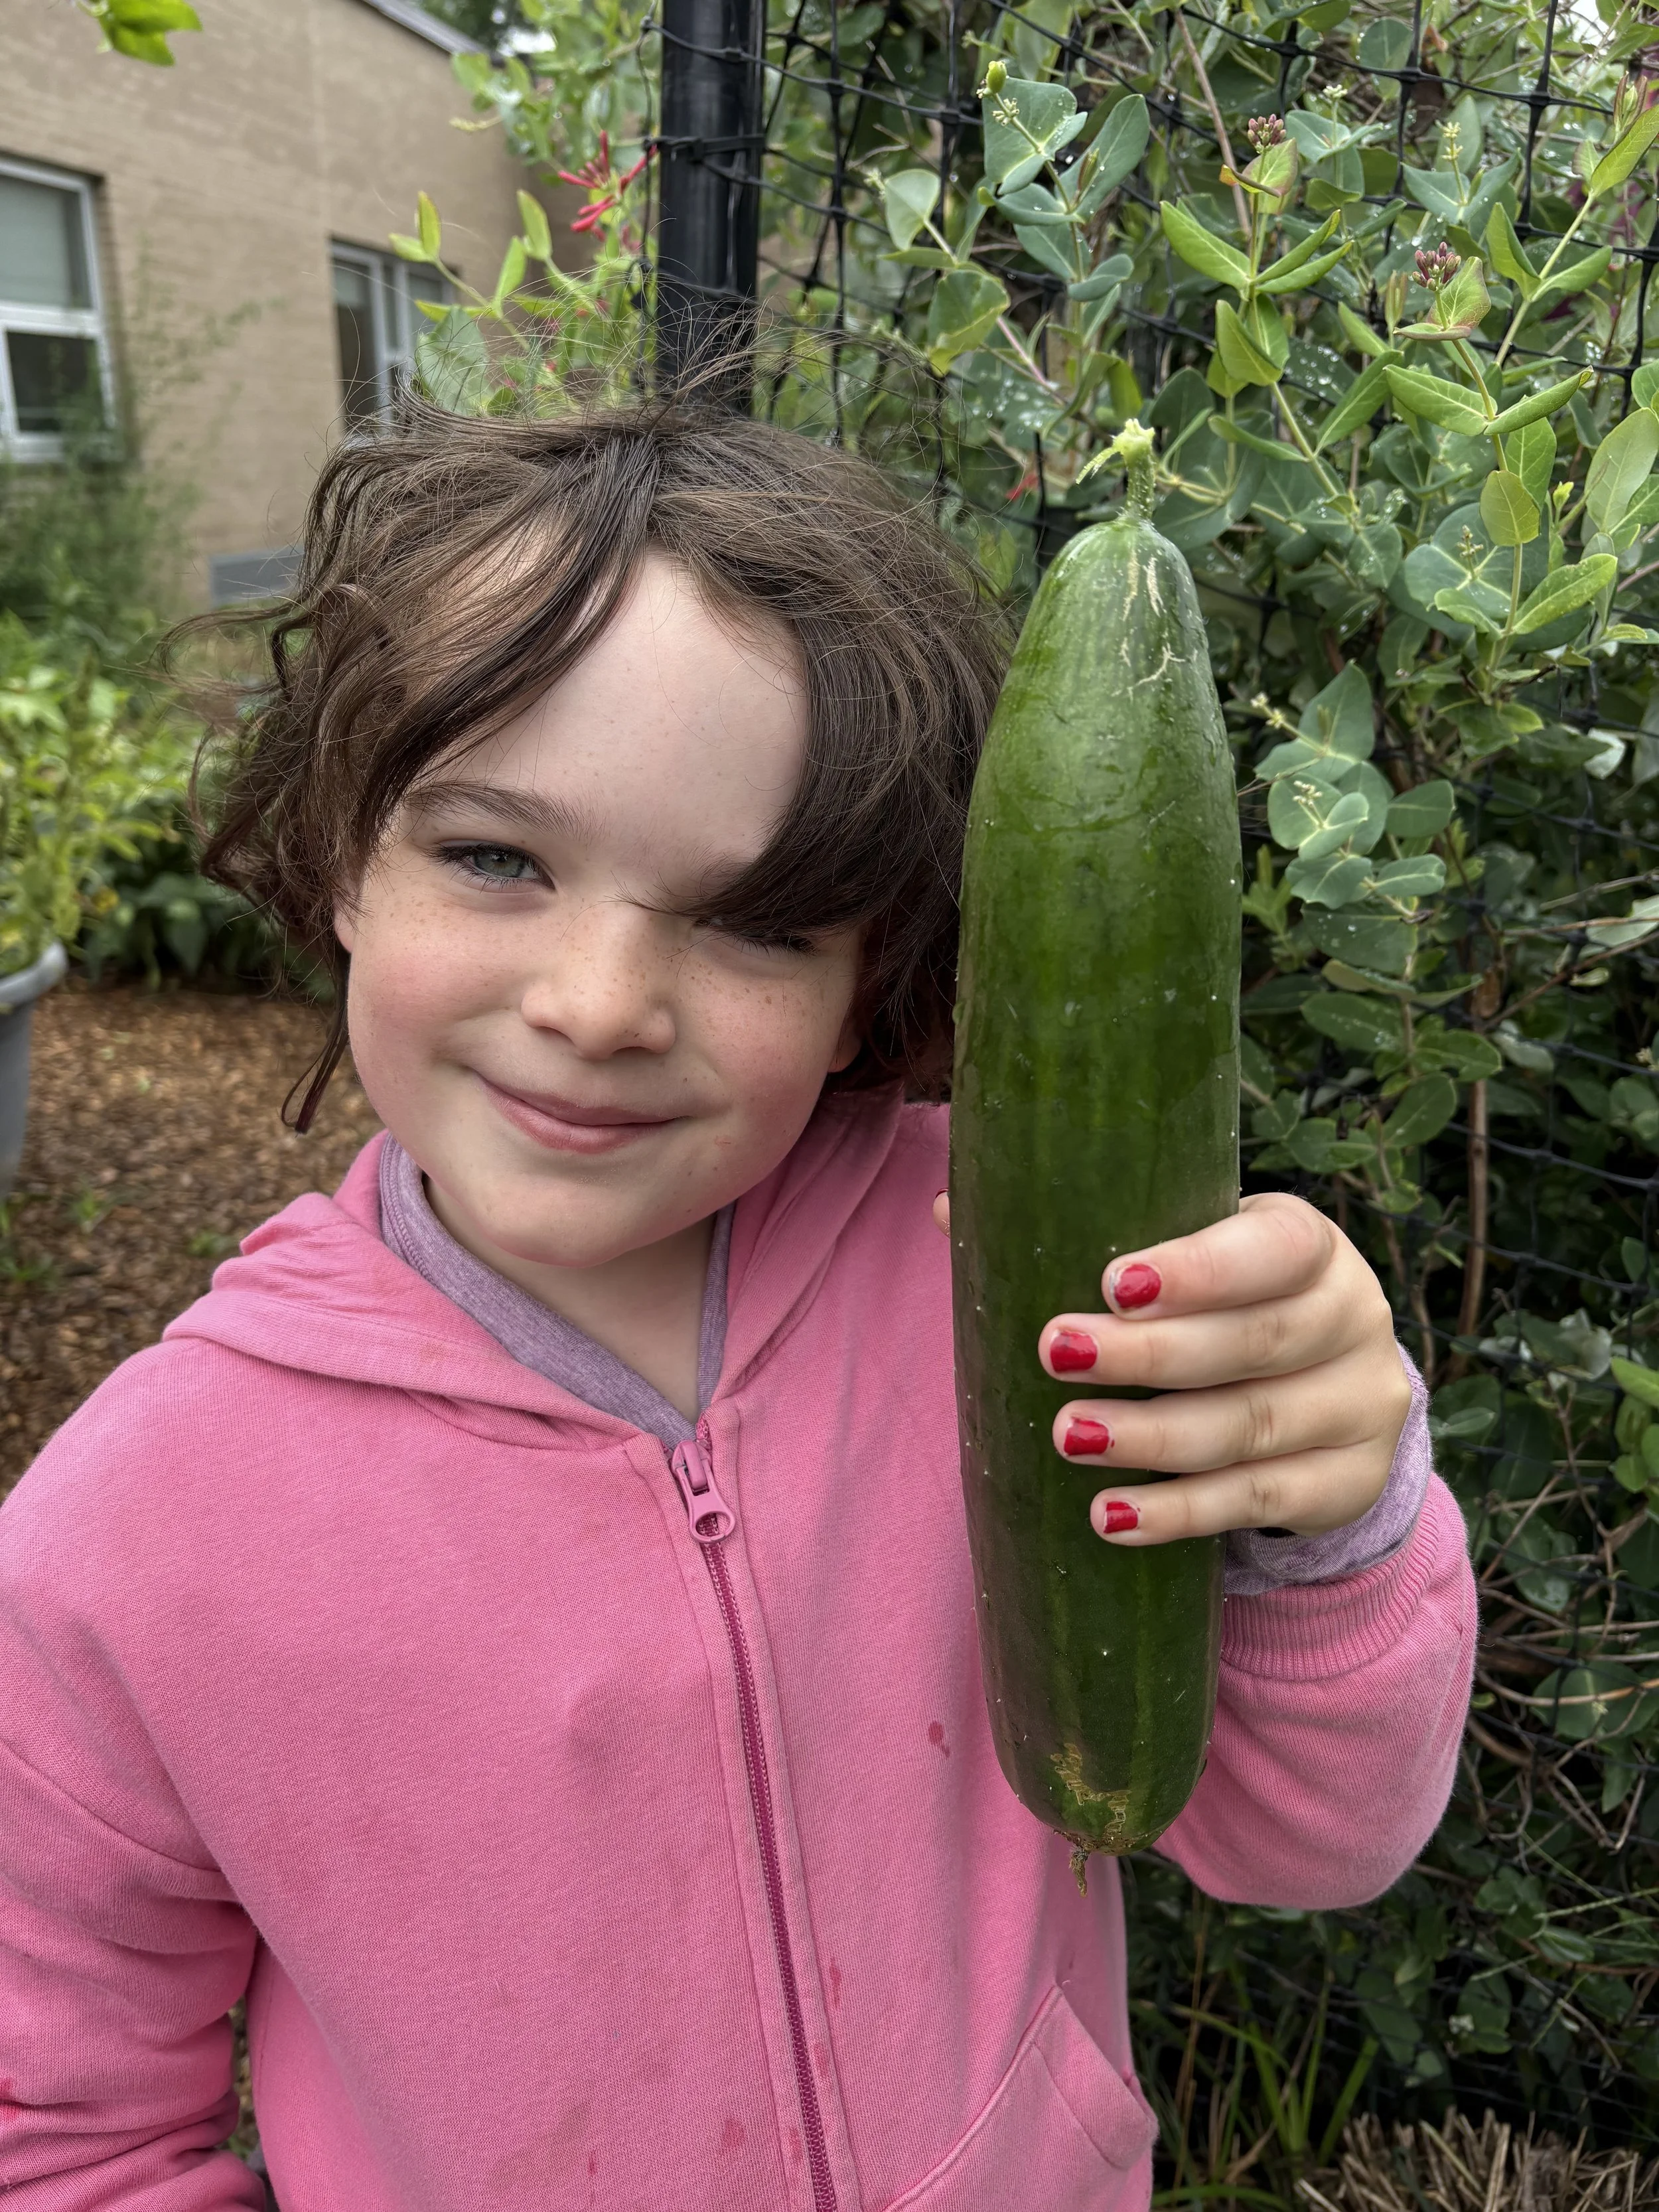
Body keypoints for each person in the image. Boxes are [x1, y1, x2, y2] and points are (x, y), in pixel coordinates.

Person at [0, 396, 1474, 2212]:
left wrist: (1322, 1514)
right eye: (494, 857)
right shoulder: (127, 1532)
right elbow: (57, 2141)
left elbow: (1304, 1843)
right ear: (333, 857)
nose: (604, 997)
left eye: (755, 918)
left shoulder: (1018, 1298)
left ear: (878, 979)